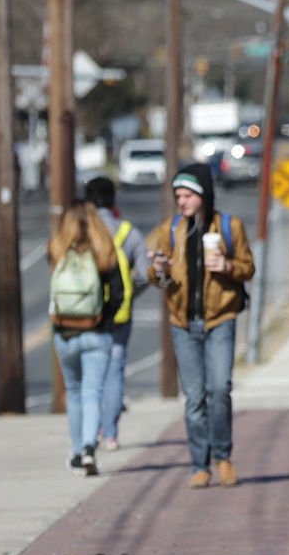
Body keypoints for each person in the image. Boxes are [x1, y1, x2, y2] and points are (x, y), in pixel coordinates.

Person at [147, 163, 255, 489]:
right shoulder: (170, 230)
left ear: (203, 194)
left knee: (219, 389)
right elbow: (154, 275)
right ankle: (200, 463)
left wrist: (227, 265)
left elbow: (248, 267)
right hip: (183, 323)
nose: (181, 201)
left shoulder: (228, 226)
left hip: (221, 318)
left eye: (187, 195)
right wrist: (159, 268)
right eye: (178, 196)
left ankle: (222, 457)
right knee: (194, 397)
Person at [49, 200, 125, 477]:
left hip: (65, 332)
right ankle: (91, 448)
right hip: (96, 332)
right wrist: (104, 319)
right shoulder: (104, 250)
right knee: (93, 391)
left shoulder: (56, 250)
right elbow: (118, 292)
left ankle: (77, 451)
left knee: (74, 392)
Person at [84, 176, 150, 452]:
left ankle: (90, 430)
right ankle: (110, 433)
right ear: (113, 200)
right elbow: (147, 275)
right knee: (115, 369)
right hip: (120, 313)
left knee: (89, 374)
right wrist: (129, 291)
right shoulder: (128, 232)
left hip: (87, 312)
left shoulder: (82, 230)